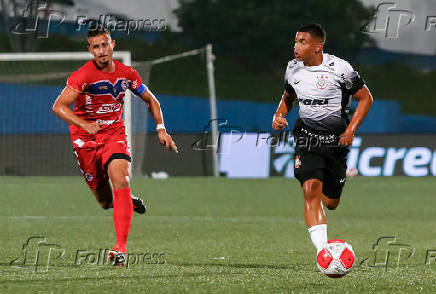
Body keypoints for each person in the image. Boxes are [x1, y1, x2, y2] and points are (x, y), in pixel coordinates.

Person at [52, 25, 178, 266]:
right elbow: (58, 106)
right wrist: (85, 124)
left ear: (113, 45)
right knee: (104, 202)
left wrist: (161, 129)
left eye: (105, 44)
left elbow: (150, 100)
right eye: (96, 46)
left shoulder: (127, 73)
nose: (101, 50)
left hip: (113, 134)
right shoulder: (83, 76)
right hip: (85, 140)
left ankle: (120, 248)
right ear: (89, 50)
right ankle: (126, 200)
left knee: (121, 179)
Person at [272, 24, 373, 255]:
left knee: (330, 202)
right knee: (310, 189)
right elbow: (289, 96)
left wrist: (351, 130)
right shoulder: (292, 69)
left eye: (302, 42)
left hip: (336, 141)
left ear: (318, 47)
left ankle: (335, 186)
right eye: (296, 41)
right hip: (307, 137)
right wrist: (279, 114)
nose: (296, 47)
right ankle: (323, 252)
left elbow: (365, 98)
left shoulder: (340, 68)